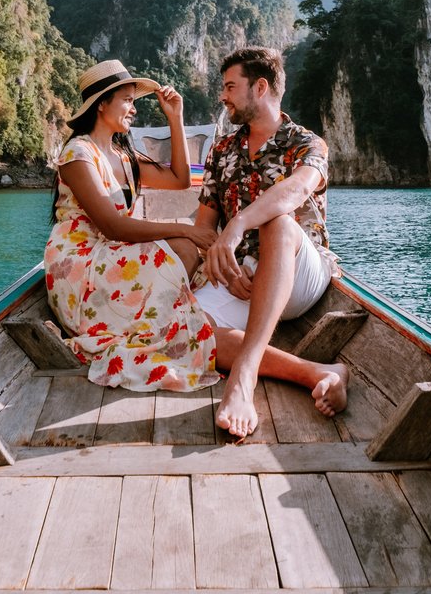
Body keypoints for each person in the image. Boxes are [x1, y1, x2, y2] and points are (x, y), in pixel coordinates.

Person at [192, 47, 349, 438]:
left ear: (260, 87)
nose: (223, 95)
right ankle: (318, 372)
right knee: (187, 329)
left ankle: (243, 377)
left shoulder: (308, 145)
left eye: (230, 86)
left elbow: (295, 192)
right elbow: (204, 227)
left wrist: (238, 225)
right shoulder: (222, 151)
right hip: (243, 280)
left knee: (278, 223)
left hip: (298, 274)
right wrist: (218, 261)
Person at [45, 59, 220, 392]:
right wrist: (184, 228)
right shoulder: (77, 154)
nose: (134, 109)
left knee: (188, 251)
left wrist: (175, 118)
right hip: (80, 264)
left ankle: (158, 314)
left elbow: (181, 179)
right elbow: (113, 227)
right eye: (127, 100)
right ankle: (150, 321)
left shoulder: (123, 155)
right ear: (101, 105)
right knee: (184, 246)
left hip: (112, 252)